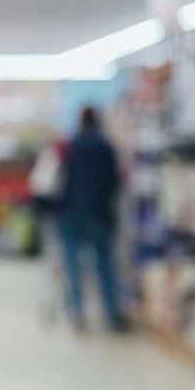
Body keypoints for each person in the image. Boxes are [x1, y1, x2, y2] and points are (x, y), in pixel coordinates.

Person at [57, 105, 127, 331]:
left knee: (74, 267)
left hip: (72, 213)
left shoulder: (72, 145)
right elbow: (114, 182)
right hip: (100, 213)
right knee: (105, 265)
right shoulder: (106, 147)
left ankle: (78, 313)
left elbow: (63, 179)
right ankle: (111, 313)